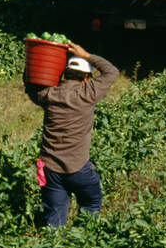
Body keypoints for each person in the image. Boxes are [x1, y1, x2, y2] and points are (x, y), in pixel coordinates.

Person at [24, 43, 118, 227]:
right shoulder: (87, 93)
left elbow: (29, 84)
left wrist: (34, 61)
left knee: (54, 217)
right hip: (78, 167)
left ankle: (54, 242)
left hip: (50, 169)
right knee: (91, 202)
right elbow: (112, 72)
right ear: (86, 78)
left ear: (64, 74)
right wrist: (87, 55)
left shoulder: (49, 95)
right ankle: (80, 237)